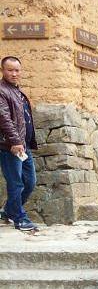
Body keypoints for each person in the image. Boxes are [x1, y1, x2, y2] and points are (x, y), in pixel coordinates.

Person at [0, 56, 39, 231]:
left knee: (30, 181)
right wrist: (15, 141)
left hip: (23, 146)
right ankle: (19, 219)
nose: (14, 73)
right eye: (10, 70)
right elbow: (4, 119)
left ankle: (8, 210)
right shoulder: (1, 91)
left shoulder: (17, 90)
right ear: (3, 71)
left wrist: (23, 142)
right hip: (10, 147)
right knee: (16, 183)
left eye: (17, 70)